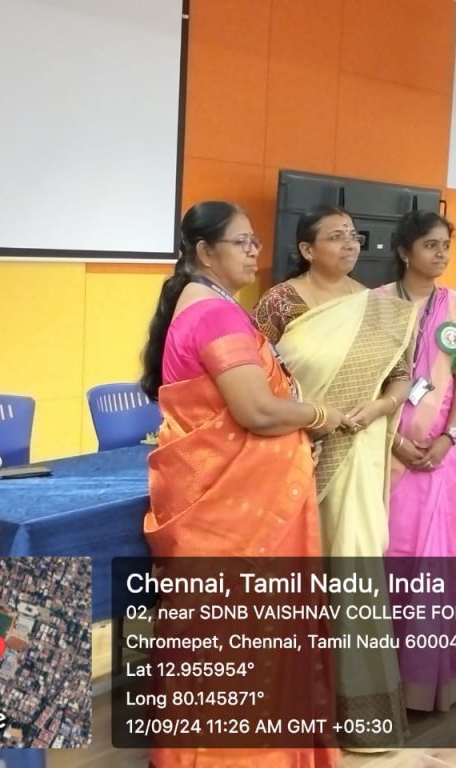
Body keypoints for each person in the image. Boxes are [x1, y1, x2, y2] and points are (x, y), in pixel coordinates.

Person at [140, 201, 342, 768]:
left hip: (224, 495)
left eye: (255, 241)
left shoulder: (202, 304)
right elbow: (255, 410)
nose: (255, 252)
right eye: (242, 242)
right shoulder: (215, 315)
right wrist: (318, 416)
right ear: (206, 252)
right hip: (237, 508)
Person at [254, 205, 416, 749]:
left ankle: (359, 714)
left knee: (353, 571)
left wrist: (380, 408)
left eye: (354, 236)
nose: (350, 245)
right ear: (307, 249)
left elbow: (402, 377)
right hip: (296, 450)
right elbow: (256, 377)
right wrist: (308, 420)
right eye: (336, 237)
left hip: (358, 452)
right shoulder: (280, 303)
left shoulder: (378, 306)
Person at [376, 210, 456, 712]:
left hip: (438, 457)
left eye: (445, 246)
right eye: (430, 245)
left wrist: (450, 437)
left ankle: (424, 682)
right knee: (389, 556)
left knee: (430, 564)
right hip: (386, 454)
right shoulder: (376, 305)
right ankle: (379, 678)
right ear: (404, 252)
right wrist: (393, 439)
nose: (440, 254)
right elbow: (367, 383)